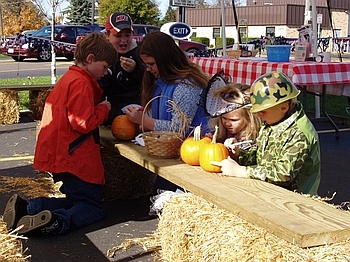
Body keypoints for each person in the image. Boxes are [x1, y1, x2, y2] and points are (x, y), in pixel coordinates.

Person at [2, 32, 118, 236]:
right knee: (93, 207)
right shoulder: (81, 84)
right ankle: (57, 222)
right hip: (76, 156)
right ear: (90, 59)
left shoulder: (69, 79)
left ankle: (30, 208)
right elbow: (83, 122)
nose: (105, 72)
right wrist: (103, 109)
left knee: (75, 200)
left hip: (62, 153)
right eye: (105, 67)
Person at [125, 31, 209, 191]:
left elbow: (178, 129)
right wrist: (143, 115)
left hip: (189, 158)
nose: (148, 69)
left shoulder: (186, 87)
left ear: (165, 60)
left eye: (151, 64)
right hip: (169, 153)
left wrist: (144, 120)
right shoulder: (161, 82)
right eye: (146, 65)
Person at [211, 72, 321, 196]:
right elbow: (260, 156)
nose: (259, 115)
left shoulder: (299, 134)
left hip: (293, 198)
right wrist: (239, 154)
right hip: (267, 191)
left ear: (284, 107)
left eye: (263, 111)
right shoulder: (274, 120)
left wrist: (242, 171)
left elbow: (283, 174)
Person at [98, 12, 145, 125]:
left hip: (139, 109)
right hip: (113, 113)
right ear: (107, 35)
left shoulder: (141, 52)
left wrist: (136, 70)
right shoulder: (101, 56)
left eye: (127, 35)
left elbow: (151, 82)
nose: (123, 40)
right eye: (118, 36)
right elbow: (99, 91)